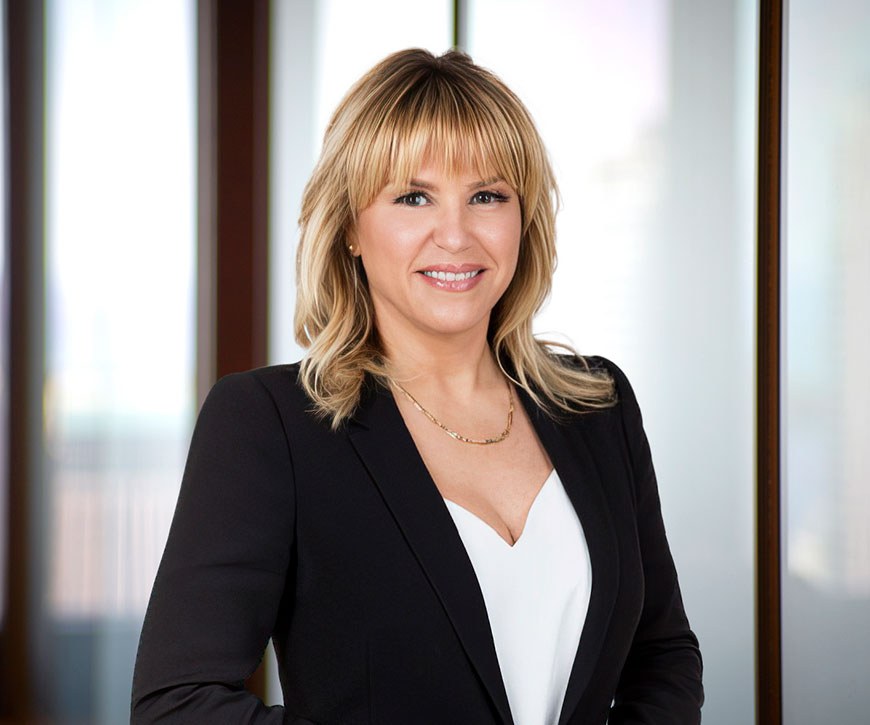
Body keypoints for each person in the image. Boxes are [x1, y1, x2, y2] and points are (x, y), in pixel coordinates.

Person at [131, 48, 703, 724]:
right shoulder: (269, 424)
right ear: (350, 226)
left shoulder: (598, 404)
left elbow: (662, 654)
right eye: (413, 197)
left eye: (487, 196)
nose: (455, 236)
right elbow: (179, 704)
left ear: (523, 219)